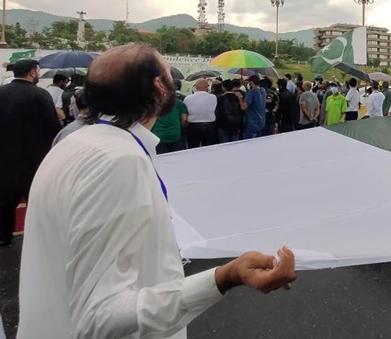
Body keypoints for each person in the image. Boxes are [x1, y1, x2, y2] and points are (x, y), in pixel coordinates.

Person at [17, 44, 296, 339]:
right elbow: (98, 318)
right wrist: (226, 276)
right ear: (160, 87)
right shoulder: (119, 160)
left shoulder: (77, 144)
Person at [0, 59, 61, 246]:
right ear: (32, 73)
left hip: (3, 156)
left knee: (4, 200)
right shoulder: (40, 95)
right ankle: (35, 237)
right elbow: (52, 126)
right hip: (34, 158)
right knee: (35, 199)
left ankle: (3, 236)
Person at [184, 78, 219, 148]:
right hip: (209, 125)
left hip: (193, 126)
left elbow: (186, 112)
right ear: (206, 87)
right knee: (208, 149)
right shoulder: (213, 97)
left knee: (193, 148)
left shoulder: (187, 98)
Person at [244, 75, 267, 139]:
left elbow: (244, 107)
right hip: (262, 120)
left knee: (248, 142)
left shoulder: (251, 92)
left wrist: (240, 98)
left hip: (252, 122)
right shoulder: (263, 90)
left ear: (251, 82)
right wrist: (246, 88)